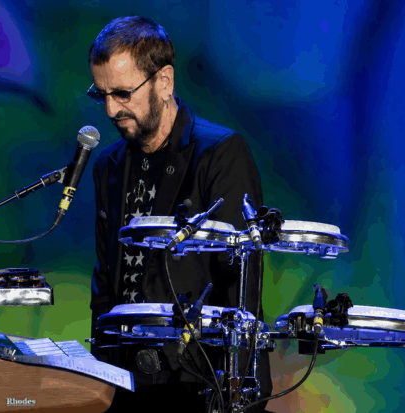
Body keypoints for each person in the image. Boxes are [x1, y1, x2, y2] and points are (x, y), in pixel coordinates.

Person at [88, 16, 271, 412]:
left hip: (200, 384)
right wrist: (97, 380)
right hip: (122, 384)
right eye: (101, 95)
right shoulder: (108, 165)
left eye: (122, 93)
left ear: (164, 81)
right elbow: (104, 283)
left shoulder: (219, 153)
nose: (111, 109)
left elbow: (242, 286)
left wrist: (238, 394)